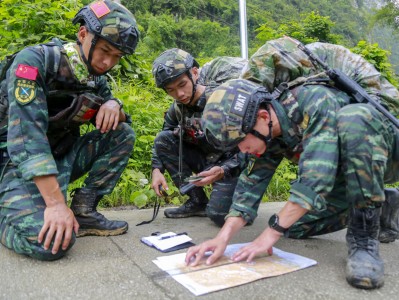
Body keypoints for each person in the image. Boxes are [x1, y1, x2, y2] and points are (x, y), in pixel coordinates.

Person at [186, 72, 399, 288]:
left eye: (241, 141)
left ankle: (364, 240)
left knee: (354, 117)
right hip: (348, 174)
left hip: (386, 155)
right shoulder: (266, 129)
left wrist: (268, 236)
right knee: (292, 227)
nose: (242, 149)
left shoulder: (316, 101)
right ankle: (381, 203)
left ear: (262, 117)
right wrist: (222, 238)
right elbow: (250, 185)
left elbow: (315, 179)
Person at [0, 0, 139, 261]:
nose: (108, 62)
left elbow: (120, 119)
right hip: (16, 165)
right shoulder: (34, 62)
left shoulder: (95, 79)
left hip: (60, 157)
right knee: (51, 245)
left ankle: (84, 212)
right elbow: (26, 140)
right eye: (105, 51)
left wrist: (113, 103)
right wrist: (55, 204)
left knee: (122, 133)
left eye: (117, 57)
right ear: (83, 34)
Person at [151, 48, 247, 224]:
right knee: (164, 139)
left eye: (182, 85)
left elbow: (250, 147)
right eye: (170, 90)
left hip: (234, 165)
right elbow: (165, 132)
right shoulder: (178, 108)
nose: (179, 94)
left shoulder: (223, 100)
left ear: (194, 73)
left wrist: (224, 169)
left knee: (220, 216)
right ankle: (197, 201)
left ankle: (243, 200)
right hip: (209, 160)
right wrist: (156, 169)